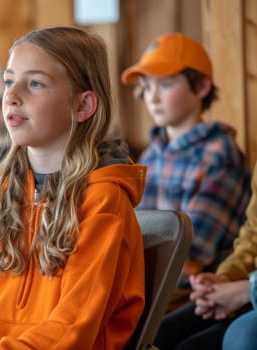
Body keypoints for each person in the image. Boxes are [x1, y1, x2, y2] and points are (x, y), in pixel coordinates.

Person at [0, 26, 147, 349]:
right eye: (10, 81)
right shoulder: (0, 194)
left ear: (83, 106)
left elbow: (70, 329)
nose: (10, 96)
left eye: (35, 83)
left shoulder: (103, 201)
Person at [121, 32, 252, 308]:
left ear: (202, 86)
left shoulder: (220, 154)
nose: (151, 97)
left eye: (165, 85)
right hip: (141, 287)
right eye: (146, 86)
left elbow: (191, 253)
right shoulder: (151, 153)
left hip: (188, 294)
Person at [154, 162, 257, 349]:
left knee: (241, 338)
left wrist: (247, 291)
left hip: (249, 289)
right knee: (161, 334)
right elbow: (253, 235)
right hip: (245, 285)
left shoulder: (221, 159)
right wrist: (225, 277)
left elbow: (191, 256)